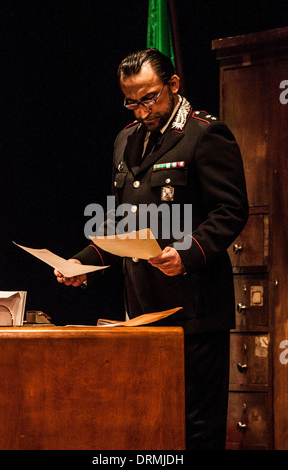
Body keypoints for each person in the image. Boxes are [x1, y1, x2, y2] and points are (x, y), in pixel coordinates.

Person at [54, 48, 249, 449]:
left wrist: (188, 254)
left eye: (150, 98)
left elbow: (231, 211)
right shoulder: (125, 139)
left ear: (173, 85)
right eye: (131, 101)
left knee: (193, 426)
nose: (142, 110)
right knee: (148, 420)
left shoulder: (204, 132)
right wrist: (82, 262)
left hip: (194, 308)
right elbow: (121, 222)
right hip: (141, 307)